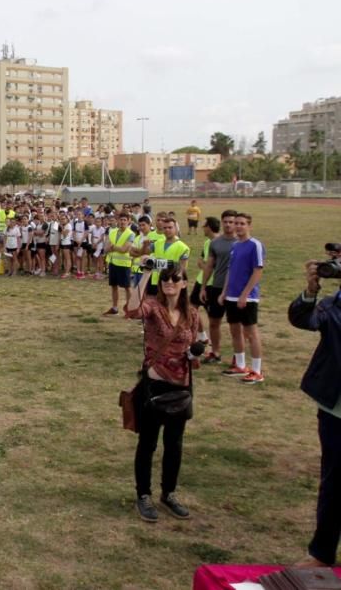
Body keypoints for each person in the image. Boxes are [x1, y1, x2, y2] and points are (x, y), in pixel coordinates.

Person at [126, 265, 199, 523]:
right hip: (154, 387)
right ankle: (143, 495)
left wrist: (195, 353)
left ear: (184, 283)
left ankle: (169, 493)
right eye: (165, 278)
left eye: (174, 278)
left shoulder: (192, 313)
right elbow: (132, 310)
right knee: (148, 443)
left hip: (181, 387)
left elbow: (194, 348)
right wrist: (145, 275)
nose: (169, 282)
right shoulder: (153, 308)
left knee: (174, 445)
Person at [289, 260, 341, 567]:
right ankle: (321, 552)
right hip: (335, 408)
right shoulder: (332, 304)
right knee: (334, 481)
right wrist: (311, 289)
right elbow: (302, 319)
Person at [219, 212, 265, 384]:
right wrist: (224, 292)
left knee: (251, 333)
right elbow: (230, 271)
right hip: (231, 296)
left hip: (248, 298)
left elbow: (257, 271)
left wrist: (245, 294)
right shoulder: (235, 245)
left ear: (249, 225)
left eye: (242, 223)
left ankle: (257, 370)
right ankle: (240, 365)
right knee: (234, 331)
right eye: (236, 223)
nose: (238, 226)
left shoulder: (255, 245)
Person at [199, 210, 237, 365]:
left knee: (236, 326)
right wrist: (203, 288)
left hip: (235, 290)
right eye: (225, 221)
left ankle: (237, 357)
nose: (228, 224)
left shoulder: (241, 243)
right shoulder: (215, 243)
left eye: (231, 222)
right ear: (221, 223)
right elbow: (209, 266)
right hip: (216, 286)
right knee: (214, 322)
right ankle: (215, 352)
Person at [104, 212, 135, 315]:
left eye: (124, 220)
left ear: (128, 221)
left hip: (124, 264)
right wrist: (112, 248)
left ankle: (130, 309)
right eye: (121, 220)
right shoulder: (112, 232)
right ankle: (114, 307)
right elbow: (106, 248)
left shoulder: (131, 234)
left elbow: (124, 249)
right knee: (114, 286)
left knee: (127, 287)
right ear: (118, 220)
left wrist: (113, 247)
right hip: (113, 263)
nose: (122, 222)